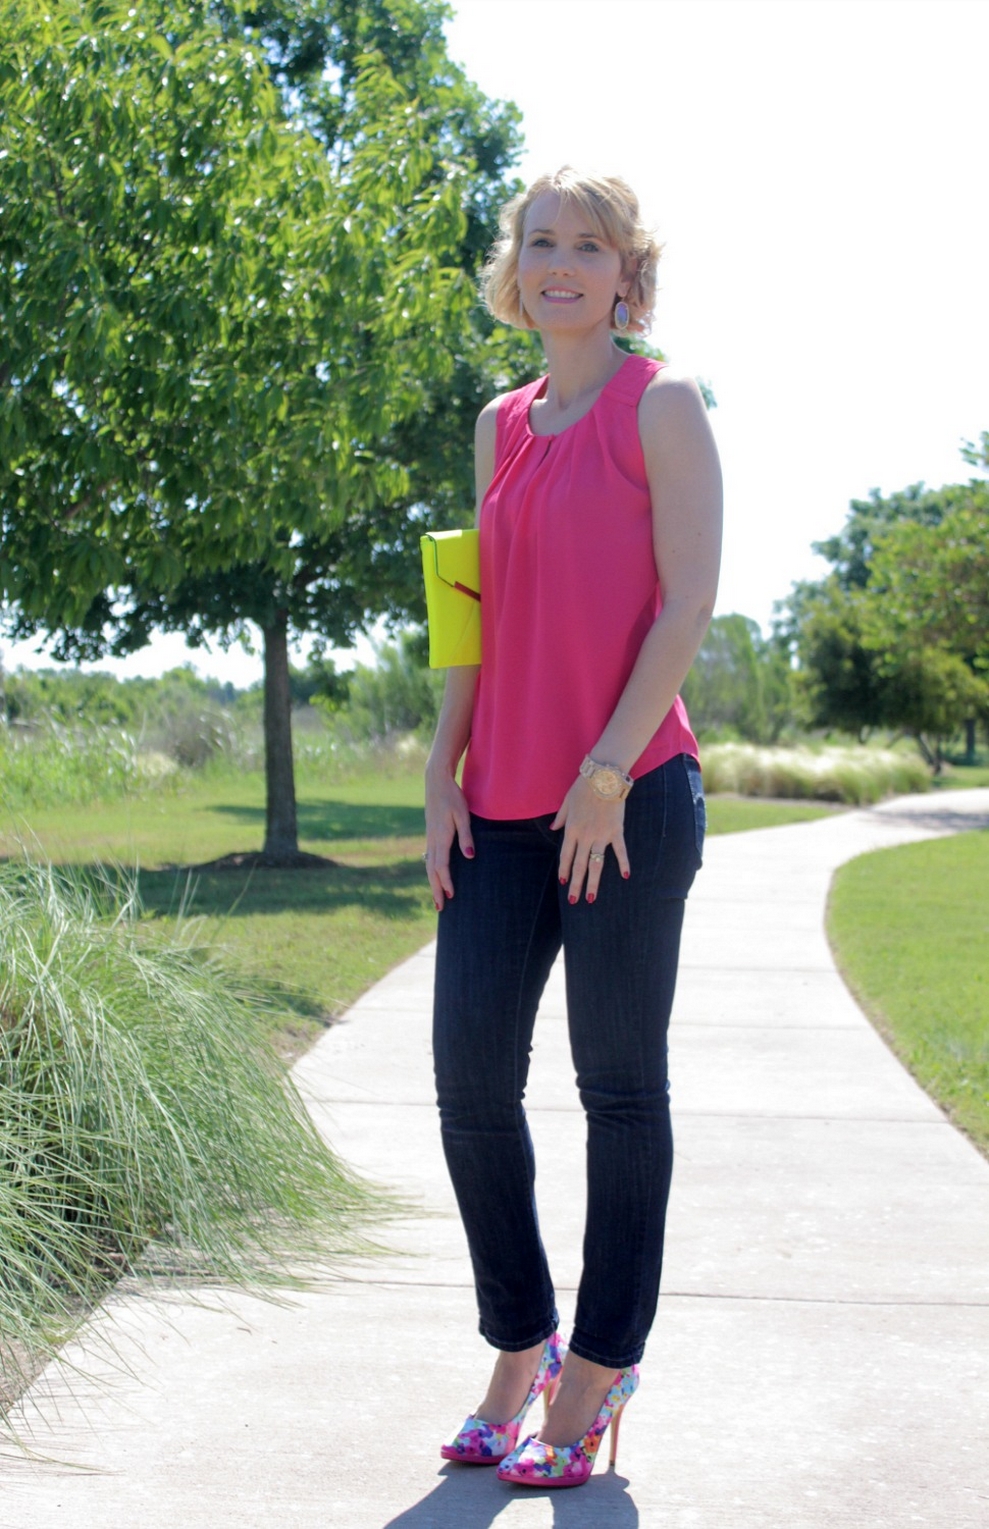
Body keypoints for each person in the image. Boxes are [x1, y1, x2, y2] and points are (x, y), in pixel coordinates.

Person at [423, 166, 722, 1489]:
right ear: (515, 266)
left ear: (625, 274)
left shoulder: (662, 403)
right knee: (470, 1083)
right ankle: (519, 1340)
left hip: (628, 796)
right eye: (540, 240)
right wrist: (441, 767)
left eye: (587, 246)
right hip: (498, 803)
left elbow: (688, 602)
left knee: (618, 1088)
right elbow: (470, 608)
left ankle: (597, 1370)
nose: (559, 263)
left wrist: (604, 772)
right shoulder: (500, 423)